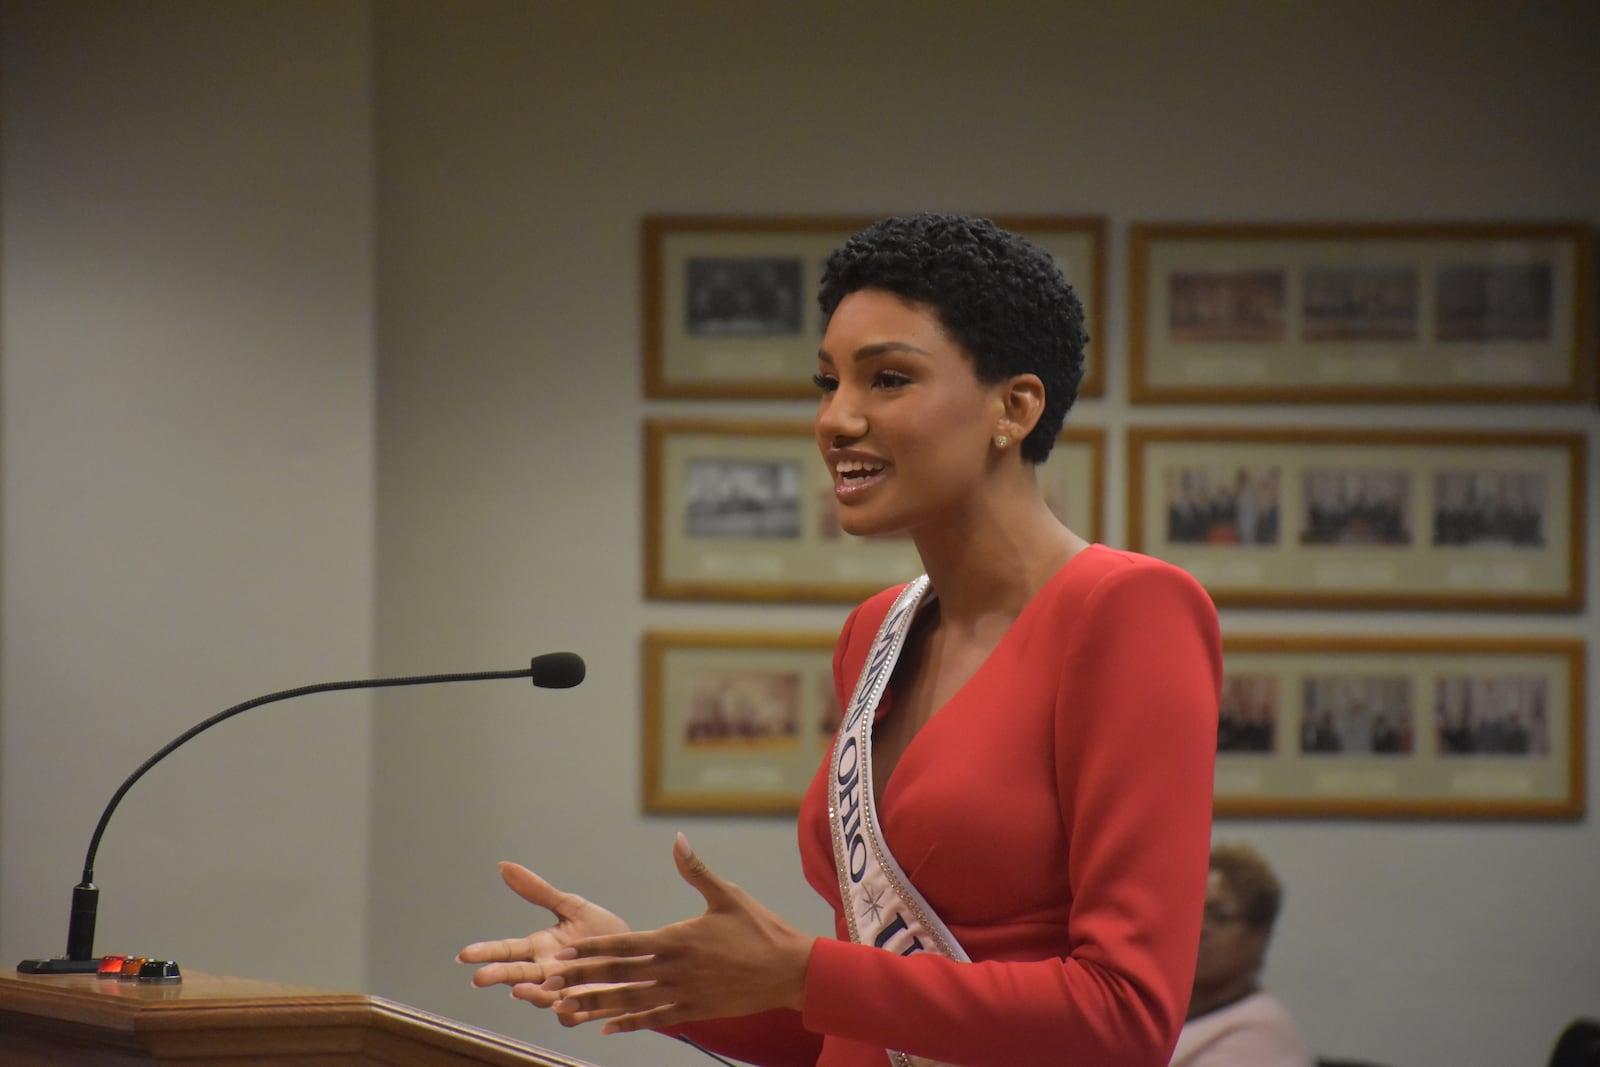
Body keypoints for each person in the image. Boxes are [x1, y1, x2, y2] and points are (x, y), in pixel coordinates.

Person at [458, 213, 1223, 1066]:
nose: (835, 420)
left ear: (1015, 406)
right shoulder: (877, 630)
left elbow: (1125, 1019)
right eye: (826, 384)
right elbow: (865, 1025)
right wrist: (653, 974)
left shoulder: (1129, 610)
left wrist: (806, 971)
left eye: (887, 379)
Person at [1169, 843, 1311, 1067]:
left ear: (1259, 935)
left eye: (1219, 916)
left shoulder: (1261, 1036)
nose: (1199, 928)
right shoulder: (1163, 1016)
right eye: (1192, 910)